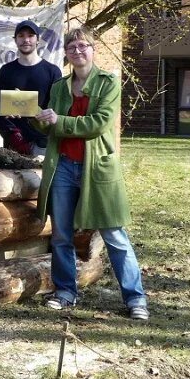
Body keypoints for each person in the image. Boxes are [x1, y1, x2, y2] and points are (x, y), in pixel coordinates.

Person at [34, 27, 149, 320]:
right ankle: (65, 292)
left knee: (114, 233)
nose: (77, 51)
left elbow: (97, 124)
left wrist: (59, 120)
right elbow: (52, 128)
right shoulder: (60, 87)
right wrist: (40, 120)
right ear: (67, 54)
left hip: (95, 168)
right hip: (62, 166)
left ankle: (135, 299)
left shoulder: (108, 82)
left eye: (83, 46)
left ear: (93, 49)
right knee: (61, 235)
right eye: (71, 47)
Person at [0, 19, 62, 157]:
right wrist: (13, 135)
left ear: (38, 40)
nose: (26, 40)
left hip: (43, 145)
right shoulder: (6, 71)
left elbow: (57, 109)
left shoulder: (52, 72)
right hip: (14, 146)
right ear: (15, 40)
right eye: (21, 36)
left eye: (30, 36)